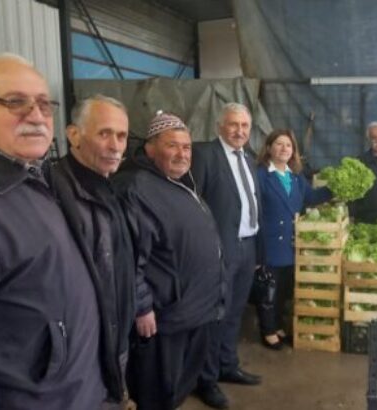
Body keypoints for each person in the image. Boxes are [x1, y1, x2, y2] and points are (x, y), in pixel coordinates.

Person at [0, 53, 108, 409]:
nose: (36, 115)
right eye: (15, 102)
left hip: (78, 391)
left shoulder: (33, 174)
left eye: (44, 104)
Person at [112, 112, 225, 409]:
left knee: (179, 385)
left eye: (186, 147)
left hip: (194, 309)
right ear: (150, 149)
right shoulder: (136, 187)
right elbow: (130, 256)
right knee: (157, 390)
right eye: (172, 145)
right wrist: (142, 305)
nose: (182, 153)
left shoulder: (176, 181)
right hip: (165, 316)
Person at [49, 95, 135, 407]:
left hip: (114, 339)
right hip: (82, 354)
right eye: (104, 133)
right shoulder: (53, 191)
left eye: (122, 136)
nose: (115, 146)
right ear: (73, 135)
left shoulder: (109, 185)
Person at [191, 103, 263, 409]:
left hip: (247, 245)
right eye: (234, 125)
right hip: (221, 248)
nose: (240, 131)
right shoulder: (205, 155)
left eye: (245, 126)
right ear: (220, 125)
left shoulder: (248, 158)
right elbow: (195, 203)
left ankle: (227, 365)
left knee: (235, 311)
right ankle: (206, 380)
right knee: (215, 315)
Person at [255, 129, 332, 350]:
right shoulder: (260, 175)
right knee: (269, 288)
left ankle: (278, 326)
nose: (284, 149)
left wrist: (334, 188)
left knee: (283, 290)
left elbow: (312, 197)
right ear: (269, 148)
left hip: (291, 244)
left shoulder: (296, 176)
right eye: (278, 144)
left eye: (288, 145)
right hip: (270, 242)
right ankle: (268, 330)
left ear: (293, 151)